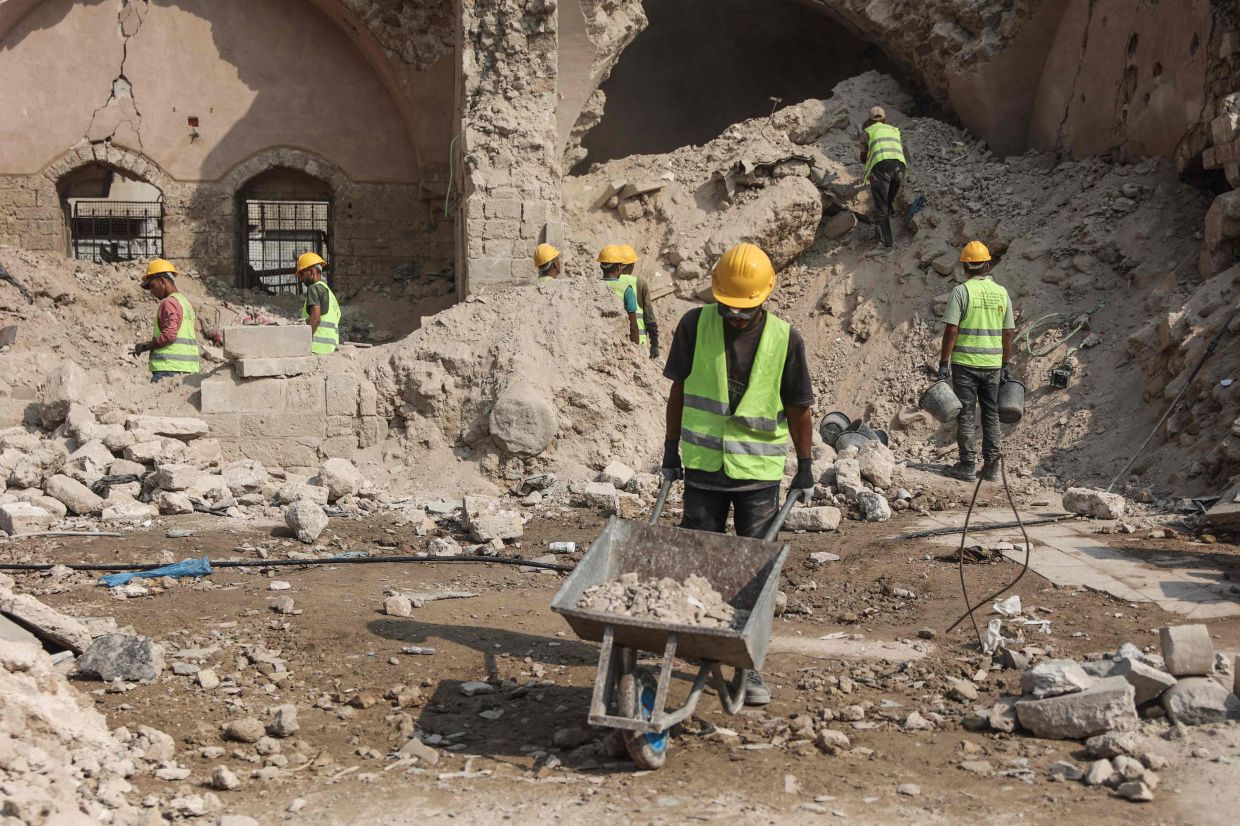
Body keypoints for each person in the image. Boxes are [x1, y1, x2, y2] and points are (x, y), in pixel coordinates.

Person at [660, 242, 816, 706]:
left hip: (757, 475)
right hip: (703, 468)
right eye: (728, 307)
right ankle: (701, 645)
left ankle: (749, 669)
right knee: (699, 566)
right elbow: (679, 391)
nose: (735, 317)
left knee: (756, 575)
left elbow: (799, 408)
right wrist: (670, 450)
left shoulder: (786, 338)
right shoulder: (694, 325)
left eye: (744, 310)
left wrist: (805, 464)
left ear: (764, 297)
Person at [938, 241, 1015, 482]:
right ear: (987, 265)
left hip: (965, 364)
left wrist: (943, 363)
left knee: (967, 414)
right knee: (991, 414)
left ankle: (967, 466)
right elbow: (1008, 333)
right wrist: (1004, 363)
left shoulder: (961, 292)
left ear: (965, 267)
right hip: (992, 365)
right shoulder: (1001, 292)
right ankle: (991, 468)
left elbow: (951, 330)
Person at [132, 259, 199, 383]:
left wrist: (146, 346)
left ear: (162, 281)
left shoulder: (169, 303)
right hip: (188, 369)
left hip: (168, 369)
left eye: (152, 286)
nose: (152, 292)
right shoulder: (185, 303)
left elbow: (169, 335)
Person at [859, 105, 909, 254]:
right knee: (887, 201)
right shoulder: (894, 130)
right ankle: (889, 213)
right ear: (885, 120)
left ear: (869, 121)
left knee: (880, 207)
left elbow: (863, 158)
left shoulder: (868, 131)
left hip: (881, 167)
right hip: (900, 166)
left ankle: (886, 245)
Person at [618, 244, 661, 361]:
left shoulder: (607, 283)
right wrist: (654, 344)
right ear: (631, 265)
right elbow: (649, 315)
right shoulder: (639, 283)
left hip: (615, 340)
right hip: (637, 342)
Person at [598, 245, 646, 346]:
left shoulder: (594, 286)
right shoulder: (626, 290)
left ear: (601, 266)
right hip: (618, 344)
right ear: (619, 267)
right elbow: (633, 326)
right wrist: (635, 349)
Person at [294, 252, 340, 354]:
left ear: (312, 271)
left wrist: (302, 343)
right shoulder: (329, 292)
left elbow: (316, 319)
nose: (300, 279)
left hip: (316, 349)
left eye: (301, 274)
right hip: (330, 350)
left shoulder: (313, 288)